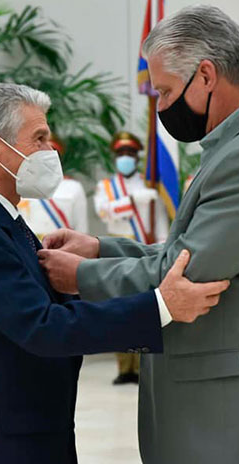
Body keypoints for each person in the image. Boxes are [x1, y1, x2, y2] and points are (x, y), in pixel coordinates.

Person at [38, 6, 239, 464]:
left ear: (206, 75)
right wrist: (103, 248)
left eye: (164, 91)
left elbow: (184, 273)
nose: (161, 107)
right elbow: (190, 249)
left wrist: (83, 277)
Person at [0, 83, 229, 464]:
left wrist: (95, 269)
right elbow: (43, 327)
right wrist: (160, 307)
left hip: (34, 432)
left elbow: (56, 300)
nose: (51, 150)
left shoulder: (1, 217)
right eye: (39, 138)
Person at [93, 131, 169, 385]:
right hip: (117, 251)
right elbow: (105, 212)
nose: (125, 158)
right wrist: (132, 201)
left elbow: (159, 223)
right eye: (121, 154)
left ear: (137, 157)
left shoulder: (150, 185)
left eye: (130, 154)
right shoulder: (106, 187)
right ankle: (124, 367)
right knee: (120, 309)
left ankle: (142, 365)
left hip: (145, 249)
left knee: (145, 309)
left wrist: (162, 244)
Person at [18, 133, 88, 239]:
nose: (47, 158)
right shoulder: (21, 184)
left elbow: (81, 228)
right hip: (29, 245)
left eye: (51, 154)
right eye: (41, 153)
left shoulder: (73, 187)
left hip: (61, 248)